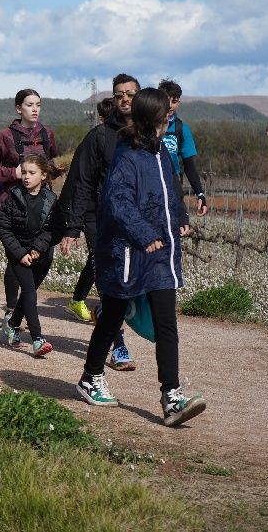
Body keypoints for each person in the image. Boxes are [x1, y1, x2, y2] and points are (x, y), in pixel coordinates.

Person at [76, 87, 206, 427]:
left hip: (160, 253)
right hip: (127, 254)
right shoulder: (127, 156)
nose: (170, 117)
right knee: (112, 316)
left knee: (167, 323)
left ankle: (172, 397)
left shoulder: (162, 154)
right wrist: (144, 235)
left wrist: (181, 222)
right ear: (155, 119)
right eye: (166, 113)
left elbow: (171, 195)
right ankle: (90, 377)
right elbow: (117, 202)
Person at [58, 73, 140, 371]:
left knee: (129, 285)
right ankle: (118, 346)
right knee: (110, 281)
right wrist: (72, 227)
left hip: (135, 223)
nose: (125, 99)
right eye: (119, 94)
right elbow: (81, 184)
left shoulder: (148, 136)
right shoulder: (100, 136)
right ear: (114, 99)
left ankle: (106, 313)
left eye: (131, 93)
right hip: (101, 221)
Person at [0, 88, 59, 327]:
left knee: (43, 256)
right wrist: (10, 173)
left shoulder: (48, 134)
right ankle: (12, 308)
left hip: (43, 206)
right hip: (13, 205)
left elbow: (53, 161)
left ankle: (25, 303)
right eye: (29, 104)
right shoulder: (5, 136)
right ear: (18, 108)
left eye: (38, 104)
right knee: (16, 259)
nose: (34, 109)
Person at [0, 153, 65, 357]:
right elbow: (3, 228)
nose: (26, 176)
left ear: (43, 175)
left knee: (28, 294)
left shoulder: (52, 200)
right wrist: (19, 254)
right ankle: (37, 339)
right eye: (24, 172)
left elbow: (56, 229)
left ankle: (12, 324)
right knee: (30, 293)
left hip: (42, 256)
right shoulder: (12, 197)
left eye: (31, 173)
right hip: (18, 255)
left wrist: (39, 247)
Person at [158, 79, 208, 217]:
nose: (169, 106)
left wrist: (200, 194)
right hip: (150, 185)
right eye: (166, 100)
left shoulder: (182, 129)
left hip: (173, 186)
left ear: (178, 103)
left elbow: (189, 165)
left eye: (174, 101)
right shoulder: (147, 126)